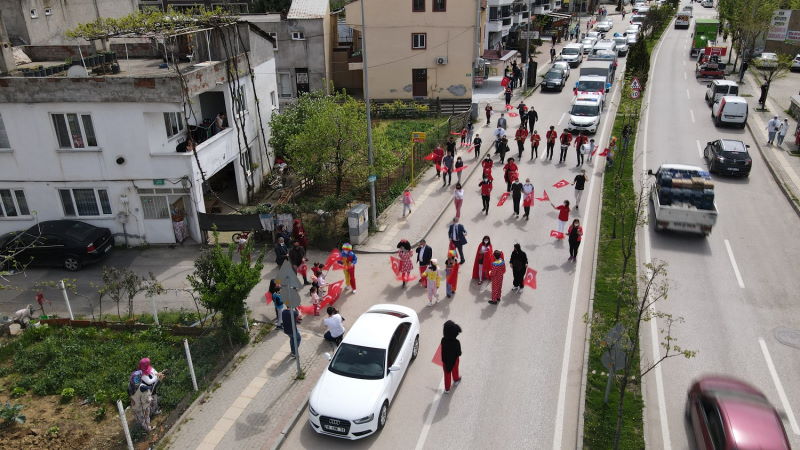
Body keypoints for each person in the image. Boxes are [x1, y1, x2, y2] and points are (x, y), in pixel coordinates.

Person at [441, 320, 463, 394]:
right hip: (455, 360)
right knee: (455, 370)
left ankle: (447, 389)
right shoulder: (457, 342)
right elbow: (459, 353)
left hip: (446, 361)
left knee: (446, 374)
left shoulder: (443, 340)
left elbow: (442, 350)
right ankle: (456, 380)